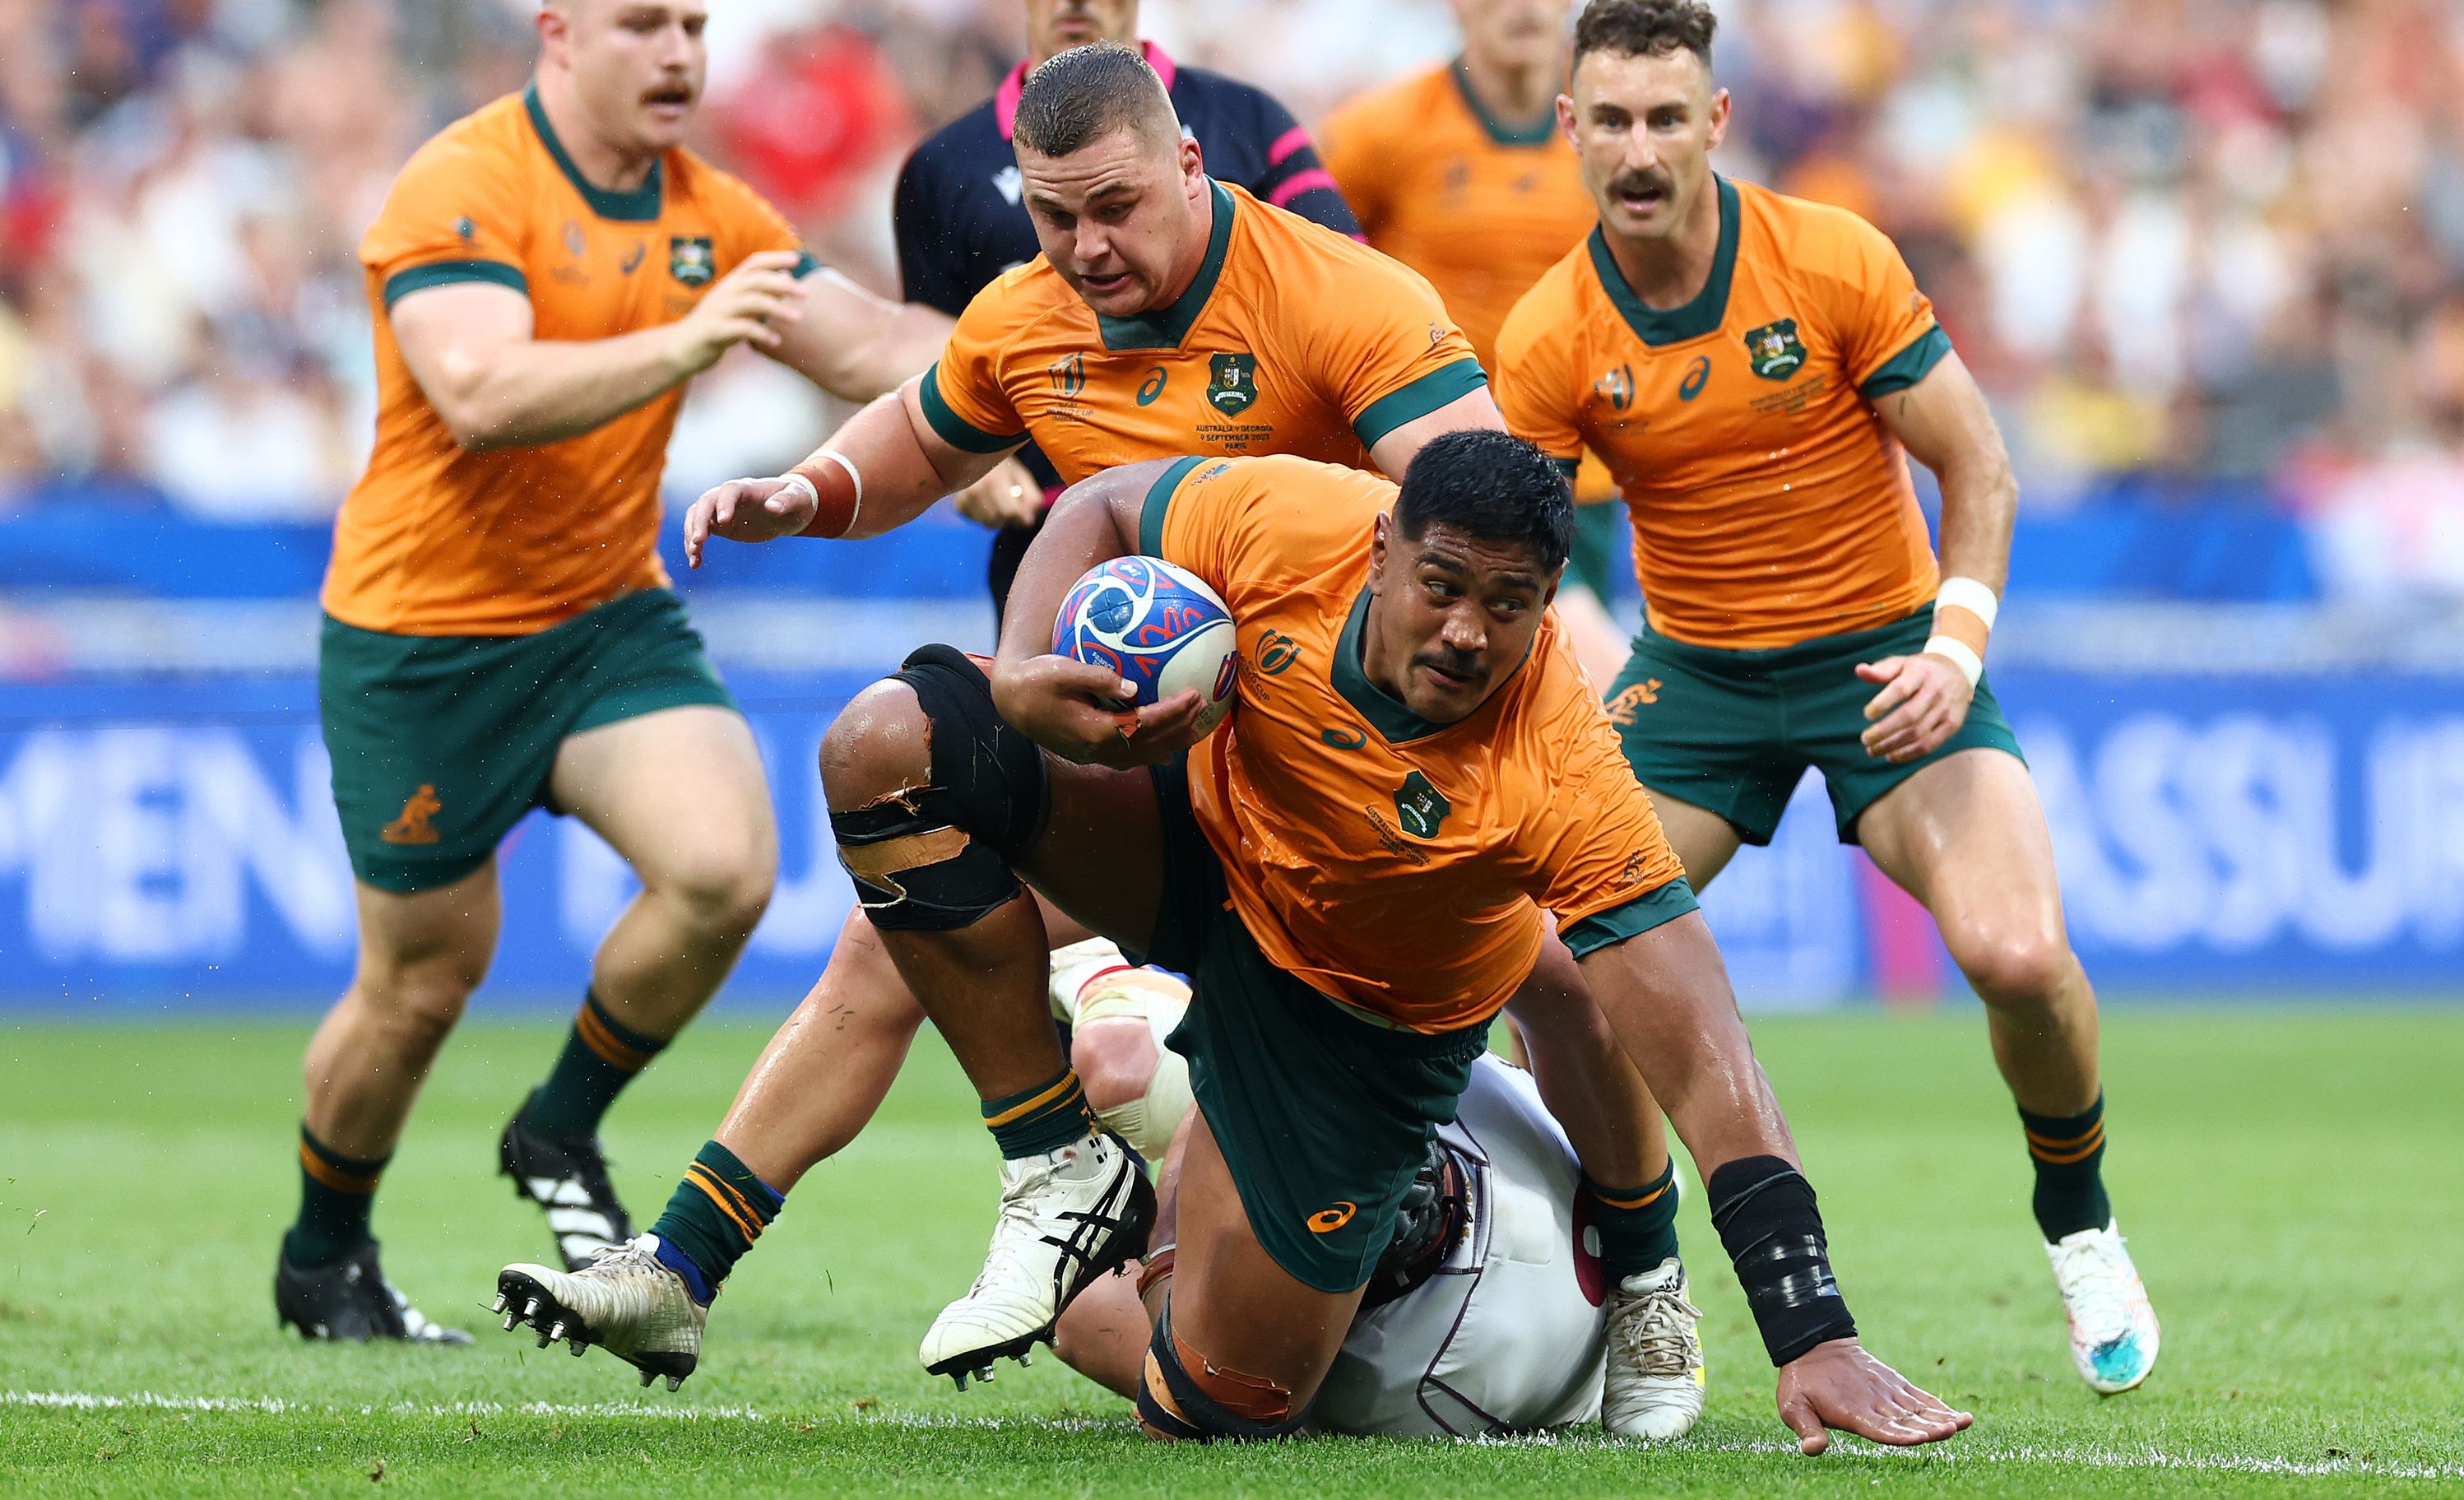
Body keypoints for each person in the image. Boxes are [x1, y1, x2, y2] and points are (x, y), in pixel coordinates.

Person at [492, 44, 1696, 1426]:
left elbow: (1482, 516)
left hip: (1327, 777)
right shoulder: (1026, 310)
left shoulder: (1343, 300)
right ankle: (721, 1250)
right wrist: (807, 492)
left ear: (1191, 161)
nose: (1084, 246)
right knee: (892, 914)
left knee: (1562, 964)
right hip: (1134, 765)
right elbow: (922, 434)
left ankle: (1647, 1271)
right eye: (1055, 217)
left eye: (1113, 208)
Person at [496, 436, 1971, 1456]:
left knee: (1218, 1404)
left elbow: (1705, 1049)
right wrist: (1018, 674)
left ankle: (1138, 1241)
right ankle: (1056, 1150)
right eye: (1442, 582)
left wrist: (1809, 1322)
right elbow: (1105, 503)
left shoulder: (1560, 766)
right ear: (1383, 544)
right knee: (888, 744)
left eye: (1511, 605)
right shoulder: (1291, 517)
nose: (1466, 631)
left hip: (1357, 1027)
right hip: (1199, 851)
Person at [1493, 0, 2159, 1393]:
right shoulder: (1552, 333)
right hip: (1696, 682)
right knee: (1554, 967)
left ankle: (2078, 1213)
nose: (1638, 146)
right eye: (1609, 118)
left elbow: (1980, 469)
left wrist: (1955, 651)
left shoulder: (1833, 257)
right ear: (1571, 132)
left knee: (2021, 956)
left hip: (1886, 661)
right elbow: (1522, 556)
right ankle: (1646, 1271)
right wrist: (1579, 635)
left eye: (1666, 116)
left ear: (1716, 124)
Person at [276, 0, 953, 1344]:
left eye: (695, 26)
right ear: (560, 33)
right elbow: (477, 386)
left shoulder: (710, 210)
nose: (680, 56)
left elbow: (874, 341)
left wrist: (1013, 399)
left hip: (602, 615)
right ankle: (323, 1250)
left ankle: (557, 1126)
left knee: (724, 869)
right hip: (424, 639)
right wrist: (689, 342)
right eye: (644, 24)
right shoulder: (465, 180)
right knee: (420, 981)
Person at [893, 0, 1359, 629]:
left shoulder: (1245, 120)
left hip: (1261, 533)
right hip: (1059, 542)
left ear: (1188, 163)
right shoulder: (944, 165)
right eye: (1054, 214)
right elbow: (926, 344)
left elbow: (1346, 291)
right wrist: (972, 458)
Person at [1051, 1041, 1620, 1439]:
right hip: (1572, 1243)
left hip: (1511, 1350)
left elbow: (1130, 1346)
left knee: (1076, 1300)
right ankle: (1654, 1266)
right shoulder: (1476, 1088)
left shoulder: (1408, 1384)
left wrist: (1170, 1248)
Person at [1320, 0, 1630, 689]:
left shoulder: (1620, 137)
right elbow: (1304, 273)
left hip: (1577, 476)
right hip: (1427, 469)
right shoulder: (1379, 134)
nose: (1521, 8)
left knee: (1564, 705)